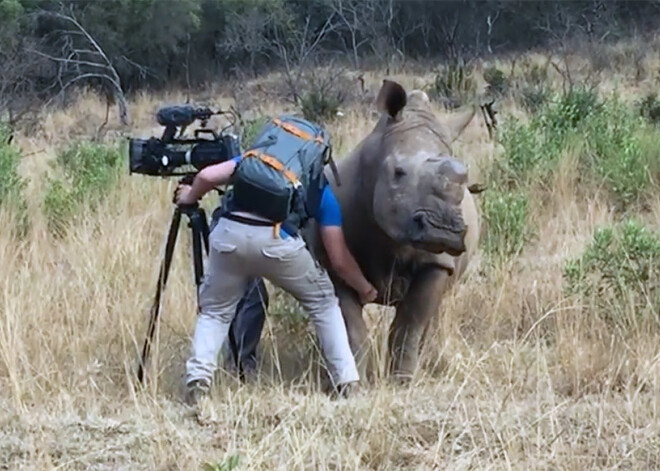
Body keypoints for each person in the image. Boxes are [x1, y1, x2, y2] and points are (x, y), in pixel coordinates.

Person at [175, 151, 377, 406]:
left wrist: (190, 196)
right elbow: (339, 259)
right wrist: (365, 288)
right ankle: (346, 381)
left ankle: (198, 380)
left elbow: (206, 175)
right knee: (323, 303)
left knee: (215, 312)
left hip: (228, 236)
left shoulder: (256, 159)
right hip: (278, 244)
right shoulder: (318, 187)